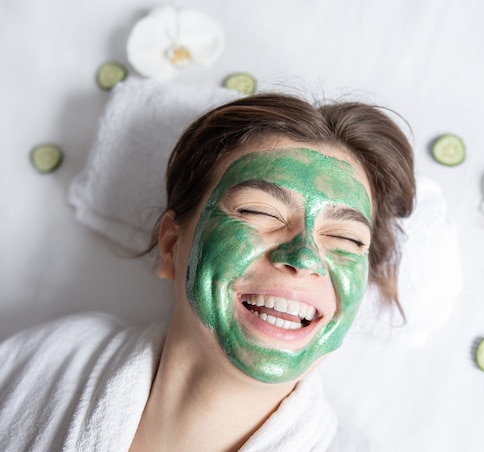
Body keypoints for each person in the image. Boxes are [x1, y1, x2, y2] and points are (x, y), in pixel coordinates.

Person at [0, 92, 415, 451]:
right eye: (259, 211)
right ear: (170, 245)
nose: (304, 256)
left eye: (346, 239)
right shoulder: (46, 363)